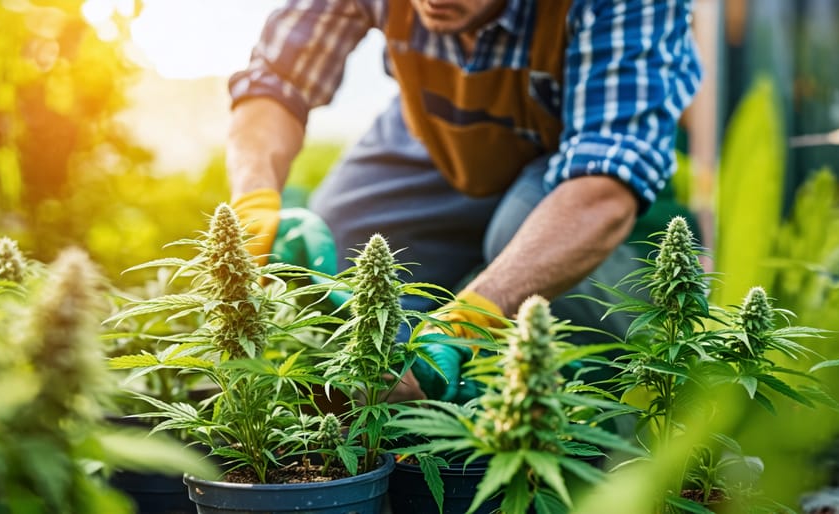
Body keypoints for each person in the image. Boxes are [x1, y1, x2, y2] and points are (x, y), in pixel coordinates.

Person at [226, 0, 703, 403]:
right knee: (344, 244)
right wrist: (254, 205)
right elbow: (276, 79)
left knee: (532, 264)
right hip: (441, 136)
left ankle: (577, 431)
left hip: (584, 170)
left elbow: (605, 185)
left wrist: (471, 321)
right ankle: (395, 426)